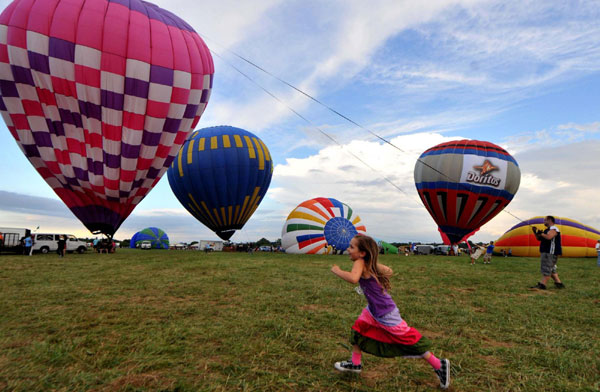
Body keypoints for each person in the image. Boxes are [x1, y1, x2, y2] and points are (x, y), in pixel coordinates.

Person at [330, 234, 450, 389]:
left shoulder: (360, 262)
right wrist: (373, 263)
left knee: (408, 340)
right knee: (359, 329)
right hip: (373, 311)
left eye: (352, 247)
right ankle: (355, 363)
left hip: (386, 313)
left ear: (362, 253)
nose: (348, 249)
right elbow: (388, 271)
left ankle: (439, 364)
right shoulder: (366, 262)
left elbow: (353, 278)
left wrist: (337, 270)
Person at [530, 216, 565, 290]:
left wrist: (541, 233)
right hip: (546, 251)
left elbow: (549, 237)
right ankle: (559, 283)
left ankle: (542, 285)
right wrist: (535, 232)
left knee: (547, 268)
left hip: (550, 252)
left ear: (550, 220)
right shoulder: (547, 230)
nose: (544, 221)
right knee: (551, 269)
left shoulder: (554, 229)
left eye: (545, 220)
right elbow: (539, 238)